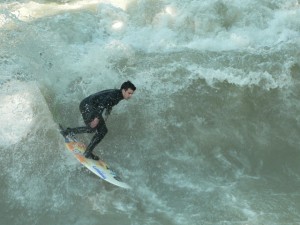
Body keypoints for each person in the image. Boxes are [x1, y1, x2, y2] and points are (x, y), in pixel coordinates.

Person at [61, 81, 136, 160]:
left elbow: (108, 105)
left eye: (132, 94)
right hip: (88, 106)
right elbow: (102, 104)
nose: (130, 96)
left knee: (96, 129)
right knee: (99, 130)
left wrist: (106, 116)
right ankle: (83, 147)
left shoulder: (118, 94)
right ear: (123, 90)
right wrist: (97, 119)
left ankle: (69, 132)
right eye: (129, 93)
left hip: (90, 106)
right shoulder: (115, 95)